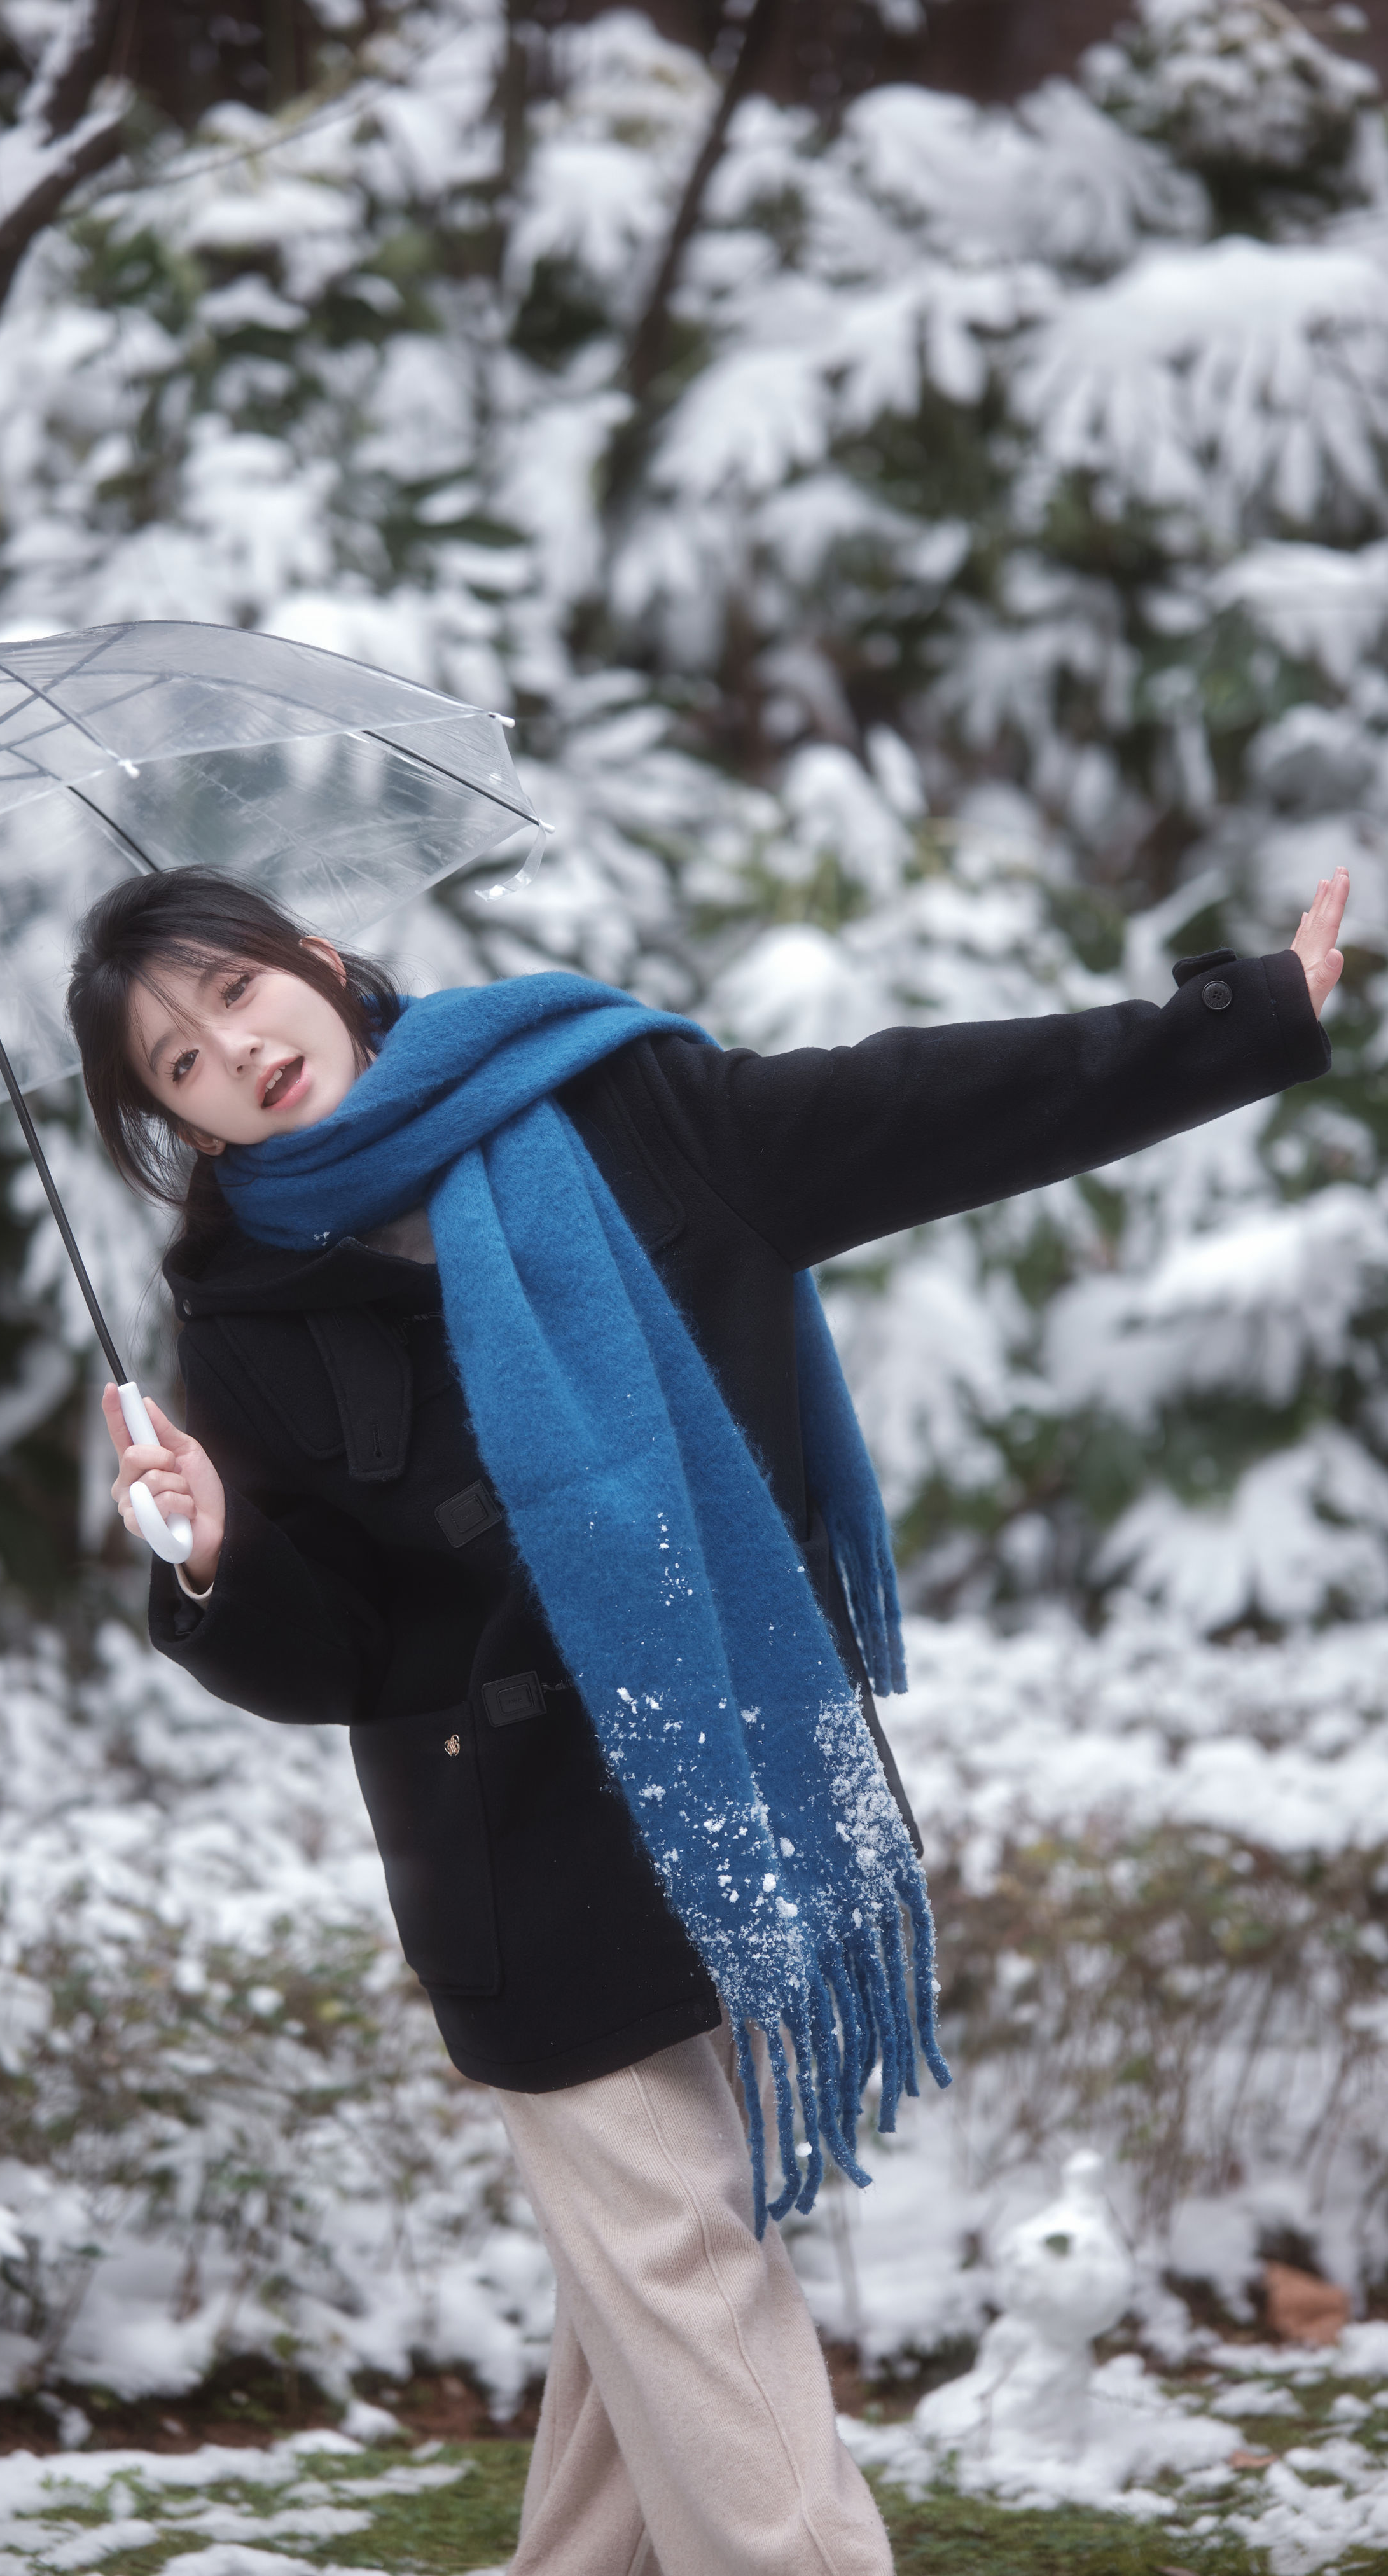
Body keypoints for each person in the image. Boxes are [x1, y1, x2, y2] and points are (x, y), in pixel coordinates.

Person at [67, 862, 1348, 2576]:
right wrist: (215, 1554)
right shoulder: (238, 1324)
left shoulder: (611, 1100)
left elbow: (922, 1105)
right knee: (687, 2294)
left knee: (650, 2304)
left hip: (729, 1789)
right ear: (182, 1126)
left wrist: (1235, 1017)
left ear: (311, 961)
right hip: (520, 1869)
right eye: (176, 1064)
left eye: (232, 993)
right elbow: (339, 1655)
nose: (231, 1051)